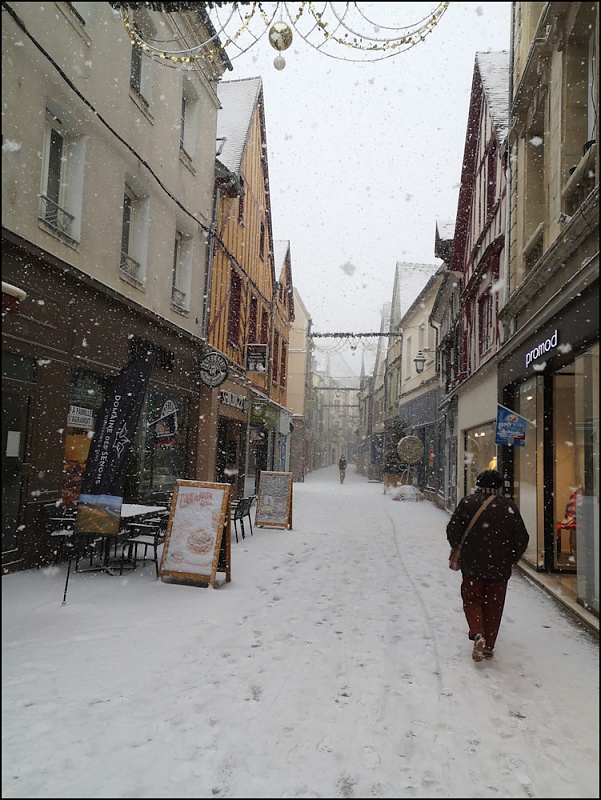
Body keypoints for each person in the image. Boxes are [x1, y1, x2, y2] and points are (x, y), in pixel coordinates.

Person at [446, 469, 529, 662]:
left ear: (478, 484)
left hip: (472, 565)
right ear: (498, 487)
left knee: (472, 600)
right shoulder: (508, 507)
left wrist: (460, 547)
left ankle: (478, 633)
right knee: (494, 606)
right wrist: (511, 557)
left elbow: (453, 530)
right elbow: (522, 538)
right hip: (499, 568)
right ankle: (488, 646)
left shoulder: (468, 503)